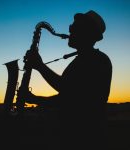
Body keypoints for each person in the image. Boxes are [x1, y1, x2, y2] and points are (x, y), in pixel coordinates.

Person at [22, 10, 112, 149]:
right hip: (76, 135)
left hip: (85, 138)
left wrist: (39, 66)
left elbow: (68, 89)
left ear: (86, 33)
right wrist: (35, 99)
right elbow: (67, 97)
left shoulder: (97, 60)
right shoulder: (84, 60)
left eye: (74, 27)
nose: (70, 29)